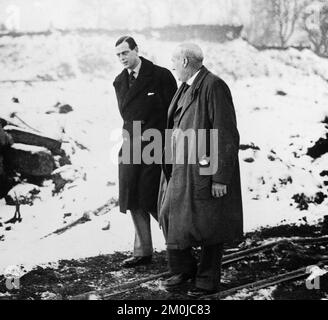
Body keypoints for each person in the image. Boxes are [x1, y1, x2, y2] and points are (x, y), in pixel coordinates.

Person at [158, 43, 243, 297]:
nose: (171, 65)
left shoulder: (214, 85)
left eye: (174, 60)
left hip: (204, 169)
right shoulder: (185, 87)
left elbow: (226, 133)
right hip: (181, 168)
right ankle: (184, 268)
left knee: (209, 224)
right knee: (167, 214)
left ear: (185, 61)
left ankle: (207, 281)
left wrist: (219, 177)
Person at [113, 36, 177, 268]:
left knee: (154, 198)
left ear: (136, 50)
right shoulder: (119, 82)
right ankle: (143, 251)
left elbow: (174, 114)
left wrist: (170, 147)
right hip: (131, 145)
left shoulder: (160, 75)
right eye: (118, 55)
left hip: (157, 144)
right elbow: (127, 117)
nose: (122, 58)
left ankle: (179, 249)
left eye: (125, 53)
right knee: (132, 198)